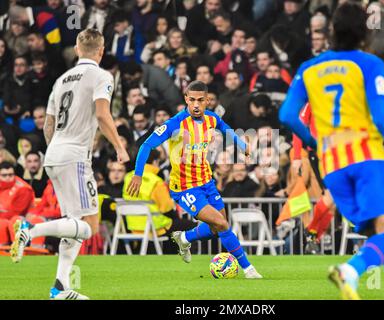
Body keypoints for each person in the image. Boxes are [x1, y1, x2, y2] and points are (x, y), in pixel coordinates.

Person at [279, 3, 384, 300]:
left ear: (332, 31)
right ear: (365, 32)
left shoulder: (309, 68)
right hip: (366, 160)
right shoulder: (369, 63)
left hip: (332, 167)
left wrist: (311, 142)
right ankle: (350, 270)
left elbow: (286, 115)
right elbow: (382, 118)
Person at [10, 29, 130, 300]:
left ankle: (60, 288)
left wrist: (56, 149)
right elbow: (102, 113)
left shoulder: (60, 80)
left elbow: (48, 125)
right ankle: (31, 230)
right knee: (89, 225)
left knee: (73, 225)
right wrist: (120, 148)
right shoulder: (102, 76)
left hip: (53, 154)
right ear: (100, 51)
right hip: (75, 156)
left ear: (77, 49)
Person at [127, 80, 262, 279]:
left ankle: (184, 237)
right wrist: (138, 174)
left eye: (201, 100)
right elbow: (146, 145)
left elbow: (226, 129)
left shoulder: (212, 119)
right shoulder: (175, 123)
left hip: (206, 181)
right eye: (192, 100)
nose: (196, 105)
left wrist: (243, 146)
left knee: (218, 226)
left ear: (208, 101)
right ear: (186, 100)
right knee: (222, 224)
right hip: (185, 187)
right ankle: (249, 269)